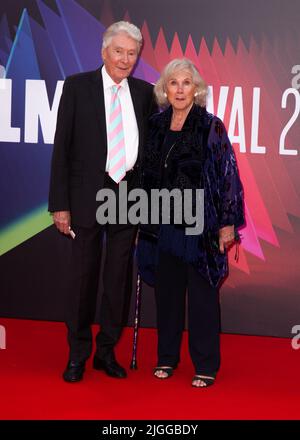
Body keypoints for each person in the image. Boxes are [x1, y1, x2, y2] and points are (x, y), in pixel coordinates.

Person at [48, 21, 157, 382]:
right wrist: (59, 204)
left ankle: (106, 351)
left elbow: (150, 154)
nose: (125, 59)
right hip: (83, 196)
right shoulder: (78, 86)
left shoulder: (144, 93)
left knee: (117, 280)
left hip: (127, 196)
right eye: (119, 51)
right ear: (104, 51)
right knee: (84, 278)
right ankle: (78, 353)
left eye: (132, 53)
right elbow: (61, 147)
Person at [137, 58, 244, 388]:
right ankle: (167, 358)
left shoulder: (210, 126)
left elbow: (227, 176)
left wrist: (227, 224)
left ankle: (206, 364)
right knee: (167, 296)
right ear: (164, 89)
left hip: (200, 226)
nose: (180, 89)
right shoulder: (155, 125)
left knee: (202, 298)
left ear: (196, 89)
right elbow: (143, 173)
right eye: (173, 83)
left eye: (186, 83)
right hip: (163, 225)